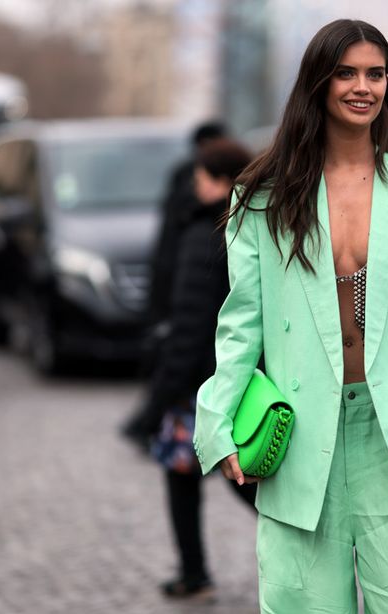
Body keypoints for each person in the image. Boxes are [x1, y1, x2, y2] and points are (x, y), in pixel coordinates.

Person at [193, 19, 388, 612]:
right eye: (347, 72)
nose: (363, 87)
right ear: (318, 82)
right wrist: (218, 419)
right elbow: (241, 321)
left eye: (376, 74)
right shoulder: (264, 195)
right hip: (301, 435)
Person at [142, 138, 258, 599]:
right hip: (240, 377)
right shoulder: (257, 224)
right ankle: (193, 572)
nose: (194, 187)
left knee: (219, 475)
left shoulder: (201, 233)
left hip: (200, 385)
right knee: (226, 475)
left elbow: (190, 321)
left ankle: (194, 574)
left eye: (201, 179)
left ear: (222, 183)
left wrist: (161, 395)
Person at [122, 121, 227, 445]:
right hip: (216, 365)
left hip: (203, 372)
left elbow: (189, 327)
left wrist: (152, 411)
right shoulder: (238, 220)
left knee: (193, 470)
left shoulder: (203, 230)